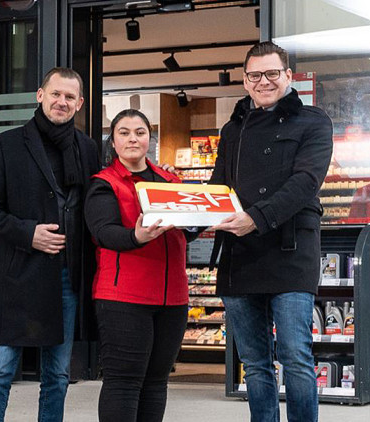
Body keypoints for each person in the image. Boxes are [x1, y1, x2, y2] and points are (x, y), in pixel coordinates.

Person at [208, 42, 333, 422]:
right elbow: (218, 186)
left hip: (290, 251)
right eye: (255, 75)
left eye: (272, 73)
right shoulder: (233, 129)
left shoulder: (314, 121)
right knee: (255, 363)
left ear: (288, 76)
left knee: (295, 356)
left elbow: (304, 184)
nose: (264, 81)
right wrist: (181, 214)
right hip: (239, 255)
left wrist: (256, 218)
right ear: (245, 81)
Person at [0, 67, 100, 422]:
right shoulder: (7, 144)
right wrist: (29, 233)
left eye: (70, 97)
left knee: (58, 375)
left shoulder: (87, 148)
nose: (62, 102)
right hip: (19, 274)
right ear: (40, 95)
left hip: (67, 275)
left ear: (79, 104)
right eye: (56, 94)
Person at [84, 109, 195, 422]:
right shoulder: (104, 183)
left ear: (150, 139)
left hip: (173, 297)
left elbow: (190, 226)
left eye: (140, 132)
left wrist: (202, 220)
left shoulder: (171, 181)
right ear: (113, 142)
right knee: (124, 381)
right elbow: (104, 232)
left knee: (157, 382)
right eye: (124, 132)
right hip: (123, 298)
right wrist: (137, 235)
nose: (133, 138)